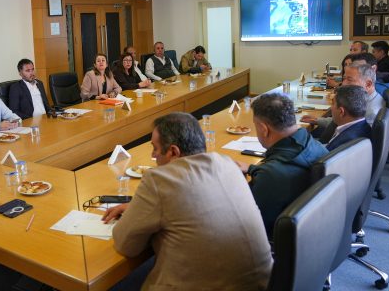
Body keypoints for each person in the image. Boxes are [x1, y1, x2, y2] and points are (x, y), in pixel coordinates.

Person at [103, 113, 272, 290]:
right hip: (264, 283)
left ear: (174, 152)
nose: (153, 155)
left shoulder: (159, 180)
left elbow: (125, 244)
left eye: (155, 149)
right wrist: (140, 208)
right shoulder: (227, 163)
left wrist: (137, 212)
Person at [237, 93, 327, 237]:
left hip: (273, 241)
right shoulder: (316, 146)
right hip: (313, 233)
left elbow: (247, 226)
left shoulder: (270, 176)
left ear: (264, 129)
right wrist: (253, 169)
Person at [303, 62, 384, 132]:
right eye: (344, 78)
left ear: (368, 84)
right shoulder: (364, 100)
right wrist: (317, 120)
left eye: (349, 79)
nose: (344, 83)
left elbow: (350, 139)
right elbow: (346, 122)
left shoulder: (371, 112)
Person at [326, 85, 371, 151]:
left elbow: (324, 154)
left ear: (341, 112)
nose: (331, 107)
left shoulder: (344, 142)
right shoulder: (364, 126)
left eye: (333, 103)